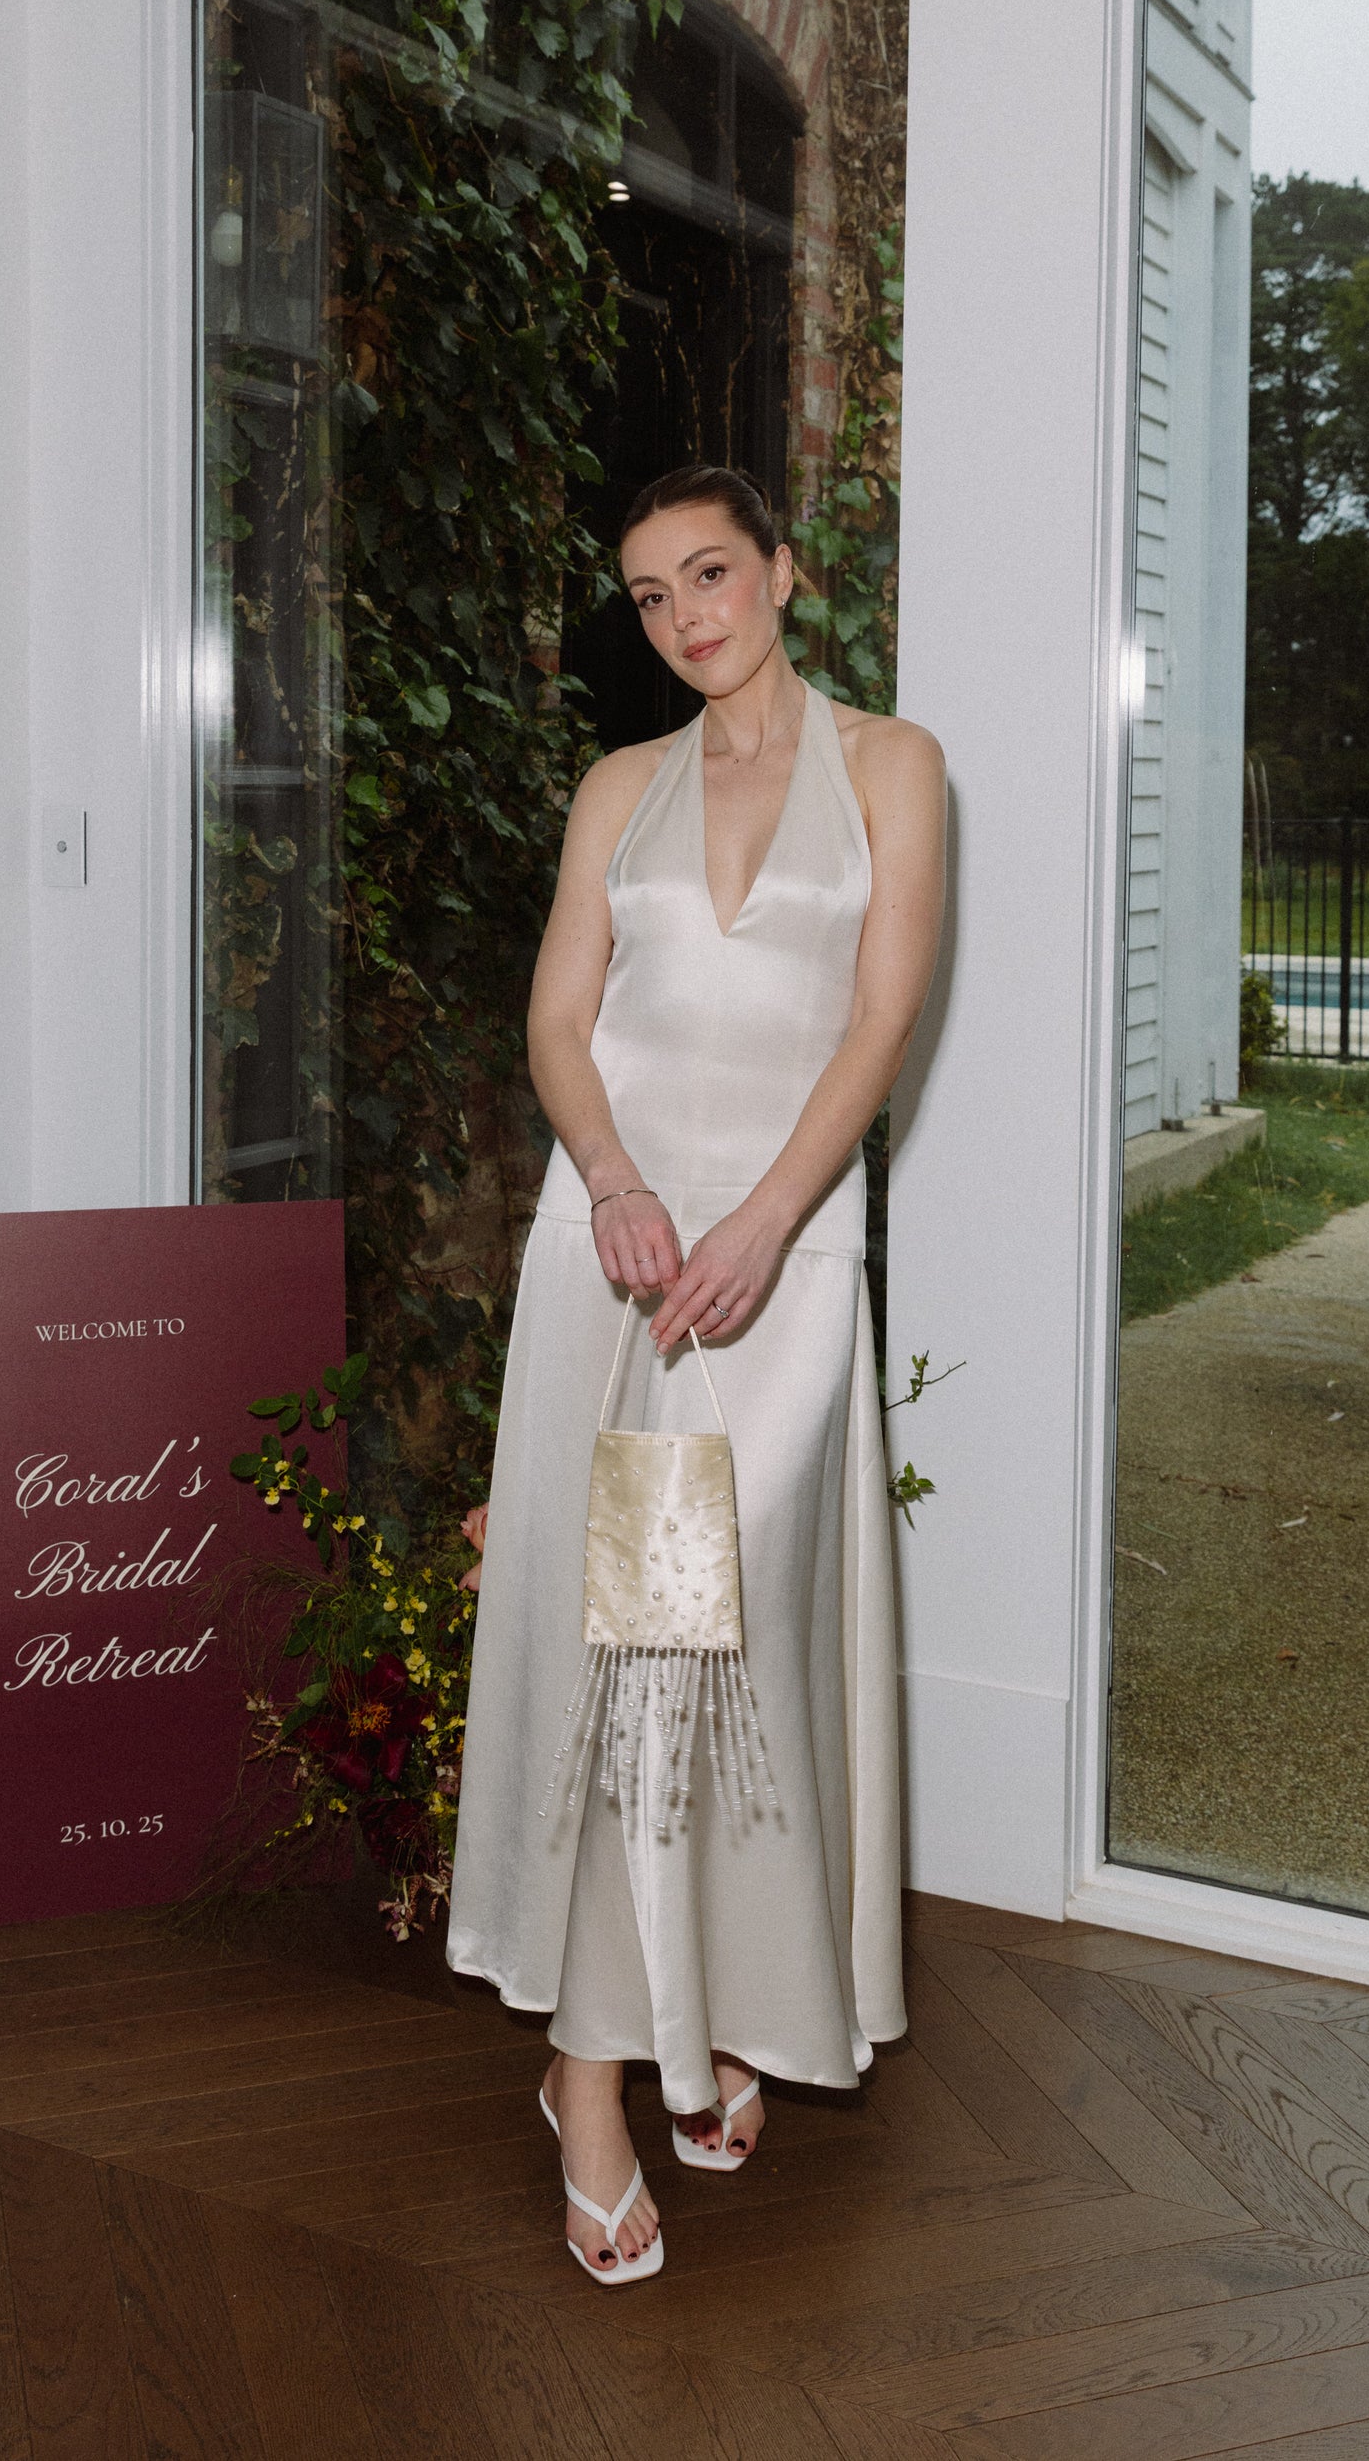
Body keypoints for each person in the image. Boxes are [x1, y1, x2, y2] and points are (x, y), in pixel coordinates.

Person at [446, 463, 947, 2282]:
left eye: (712, 574)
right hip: (626, 1266)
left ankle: (700, 2005)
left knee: (736, 1658)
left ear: (784, 575)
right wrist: (626, 1187)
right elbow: (557, 1021)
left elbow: (881, 1018)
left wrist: (761, 1224)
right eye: (652, 595)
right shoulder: (616, 789)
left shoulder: (892, 767)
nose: (686, 616)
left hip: (783, 1276)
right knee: (646, 1655)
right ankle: (595, 2079)